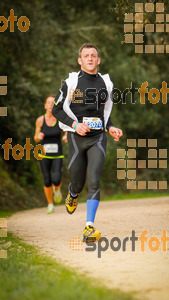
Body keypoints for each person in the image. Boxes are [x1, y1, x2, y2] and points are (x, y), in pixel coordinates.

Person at [52, 43, 123, 242]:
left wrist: (111, 127)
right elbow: (56, 110)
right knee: (78, 182)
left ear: (98, 60)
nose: (90, 58)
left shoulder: (106, 84)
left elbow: (105, 114)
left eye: (93, 55)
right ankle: (72, 194)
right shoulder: (71, 82)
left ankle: (89, 227)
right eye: (86, 56)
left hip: (97, 137)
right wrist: (75, 125)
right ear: (80, 60)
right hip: (76, 138)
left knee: (93, 180)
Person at [34, 95, 67, 214]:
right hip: (44, 155)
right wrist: (38, 137)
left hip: (58, 155)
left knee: (56, 179)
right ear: (45, 105)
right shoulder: (40, 120)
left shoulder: (60, 119)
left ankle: (57, 189)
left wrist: (66, 136)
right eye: (48, 103)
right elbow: (36, 138)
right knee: (47, 180)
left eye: (53, 103)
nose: (50, 105)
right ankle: (50, 204)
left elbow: (66, 132)